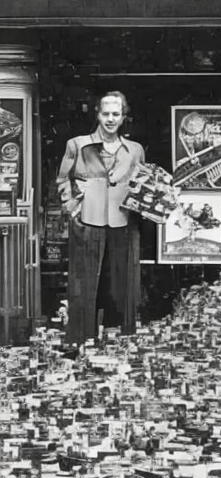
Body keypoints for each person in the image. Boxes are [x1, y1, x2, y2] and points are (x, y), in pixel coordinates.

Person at [56, 91, 145, 350]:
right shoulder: (77, 145)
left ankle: (119, 343)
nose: (110, 119)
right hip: (87, 221)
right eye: (105, 113)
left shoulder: (135, 150)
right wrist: (74, 210)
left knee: (121, 283)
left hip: (123, 222)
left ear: (123, 117)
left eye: (115, 114)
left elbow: (142, 185)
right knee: (84, 284)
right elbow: (63, 180)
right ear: (97, 114)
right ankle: (80, 341)